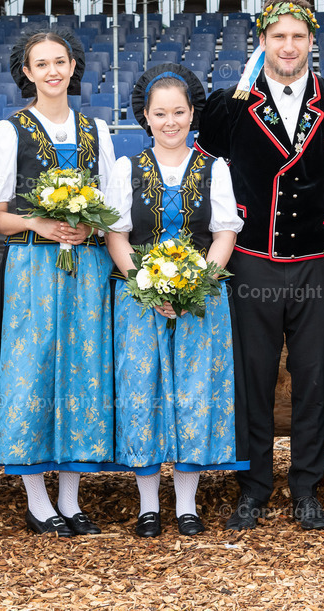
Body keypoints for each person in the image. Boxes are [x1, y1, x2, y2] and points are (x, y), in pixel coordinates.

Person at [195, 0, 324, 530]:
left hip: (318, 263)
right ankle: (252, 486)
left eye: (299, 36)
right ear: (263, 42)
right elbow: (211, 181)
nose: (289, 46)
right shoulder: (228, 104)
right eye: (279, 37)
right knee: (252, 378)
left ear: (312, 42)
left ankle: (307, 485)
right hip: (250, 260)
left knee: (314, 375)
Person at [0, 29, 117, 538]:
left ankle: (72, 500)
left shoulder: (97, 129)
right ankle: (37, 499)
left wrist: (89, 225)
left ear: (73, 67)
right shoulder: (11, 130)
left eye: (61, 61)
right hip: (33, 268)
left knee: (83, 374)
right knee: (30, 373)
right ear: (27, 73)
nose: (53, 70)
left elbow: (113, 209)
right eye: (42, 63)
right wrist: (38, 223)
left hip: (87, 269)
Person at [105, 64, 246, 538]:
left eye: (179, 112)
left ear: (192, 115)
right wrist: (146, 286)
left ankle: (186, 503)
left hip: (201, 301)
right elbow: (117, 235)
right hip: (138, 302)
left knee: (193, 394)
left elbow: (224, 232)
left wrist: (196, 286)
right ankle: (148, 504)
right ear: (145, 116)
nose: (170, 122)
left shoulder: (215, 167)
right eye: (160, 113)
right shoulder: (128, 168)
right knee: (142, 391)